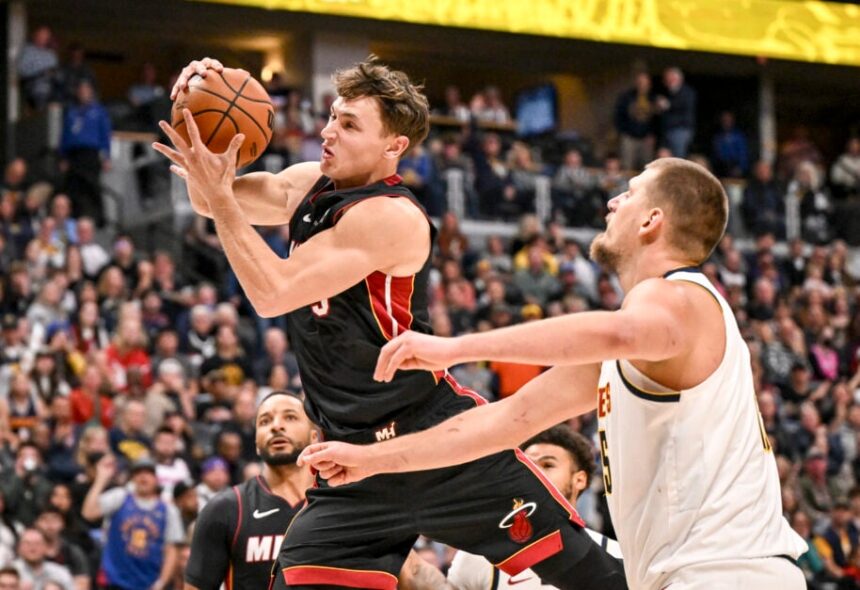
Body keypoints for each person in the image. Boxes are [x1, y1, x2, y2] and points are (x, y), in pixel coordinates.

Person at [155, 56, 626, 590]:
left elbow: (272, 292)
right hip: (352, 460)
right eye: (332, 116)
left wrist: (218, 194)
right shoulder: (309, 183)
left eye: (350, 124)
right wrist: (197, 121)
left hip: (438, 442)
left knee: (593, 577)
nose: (328, 132)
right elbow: (212, 201)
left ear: (393, 146)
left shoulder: (392, 217)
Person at [301, 158, 808, 589]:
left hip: (727, 573)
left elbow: (618, 332)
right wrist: (372, 459)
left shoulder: (680, 296)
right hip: (682, 575)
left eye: (627, 194)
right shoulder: (640, 340)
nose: (612, 203)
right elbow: (504, 423)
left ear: (652, 220)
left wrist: (456, 347)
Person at [448, 424, 621, 589]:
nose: (534, 473)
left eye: (547, 465)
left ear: (579, 480)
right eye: (528, 466)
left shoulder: (615, 554)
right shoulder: (481, 556)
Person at [82, 456, 183, 590]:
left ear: (156, 479)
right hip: (114, 582)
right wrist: (101, 480)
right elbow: (88, 513)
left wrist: (161, 583)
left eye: (148, 473)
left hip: (149, 583)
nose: (143, 477)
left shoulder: (168, 510)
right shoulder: (120, 497)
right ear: (133, 479)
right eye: (138, 473)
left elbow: (172, 550)